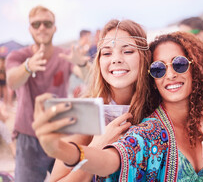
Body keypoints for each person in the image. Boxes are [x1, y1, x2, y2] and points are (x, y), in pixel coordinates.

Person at [32, 31, 203, 181]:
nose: (169, 74)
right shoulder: (147, 131)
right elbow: (111, 160)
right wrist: (62, 149)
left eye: (179, 64)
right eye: (159, 68)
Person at [47, 19, 151, 181]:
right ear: (99, 61)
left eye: (128, 51)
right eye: (107, 53)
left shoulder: (158, 109)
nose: (116, 59)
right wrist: (96, 150)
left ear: (144, 57)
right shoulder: (84, 111)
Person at [5, 5, 90, 182]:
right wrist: (27, 67)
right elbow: (12, 81)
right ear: (29, 28)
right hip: (28, 135)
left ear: (54, 27)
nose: (42, 28)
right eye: (36, 24)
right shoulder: (18, 56)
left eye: (47, 23)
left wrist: (82, 64)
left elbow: (88, 78)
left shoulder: (64, 55)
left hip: (61, 132)